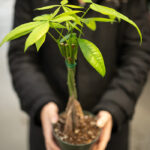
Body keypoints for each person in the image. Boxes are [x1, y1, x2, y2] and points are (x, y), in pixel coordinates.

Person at [8, 0, 150, 150]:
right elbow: (21, 57)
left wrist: (114, 107)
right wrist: (42, 103)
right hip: (49, 126)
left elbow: (137, 54)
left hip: (110, 128)